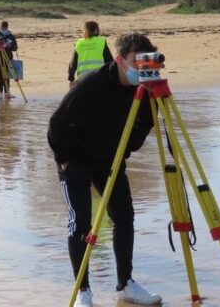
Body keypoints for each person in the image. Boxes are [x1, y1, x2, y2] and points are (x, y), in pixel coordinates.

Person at [48, 33, 162, 307]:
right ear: (121, 60)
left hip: (108, 160)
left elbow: (144, 125)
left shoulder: (143, 90)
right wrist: (63, 158)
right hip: (74, 159)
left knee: (124, 215)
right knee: (81, 224)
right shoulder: (91, 84)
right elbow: (57, 123)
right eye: (137, 60)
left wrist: (125, 149)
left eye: (147, 60)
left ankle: (126, 285)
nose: (142, 67)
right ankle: (83, 291)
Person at [67, 21, 114, 88]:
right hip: (99, 79)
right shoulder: (101, 42)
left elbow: (73, 64)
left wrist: (70, 79)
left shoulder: (79, 43)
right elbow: (109, 61)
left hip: (82, 80)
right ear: (96, 30)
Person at [0, 20, 18, 99]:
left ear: (7, 27)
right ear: (0, 27)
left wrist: (10, 46)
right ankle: (0, 92)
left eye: (5, 28)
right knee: (0, 75)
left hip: (8, 57)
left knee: (7, 76)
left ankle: (7, 92)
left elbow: (15, 48)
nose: (4, 29)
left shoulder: (11, 35)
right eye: (2, 28)